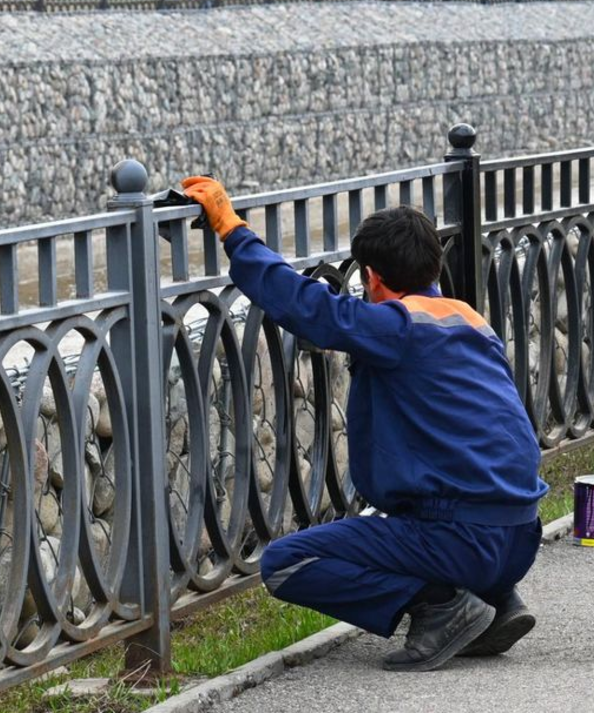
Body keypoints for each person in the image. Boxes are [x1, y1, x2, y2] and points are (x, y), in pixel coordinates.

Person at [177, 179, 546, 671]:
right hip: (520, 538)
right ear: (433, 264)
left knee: (286, 564)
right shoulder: (467, 319)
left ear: (372, 278)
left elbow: (300, 303)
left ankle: (444, 606)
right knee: (436, 513)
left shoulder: (396, 328)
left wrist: (230, 226)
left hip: (461, 540)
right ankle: (498, 601)